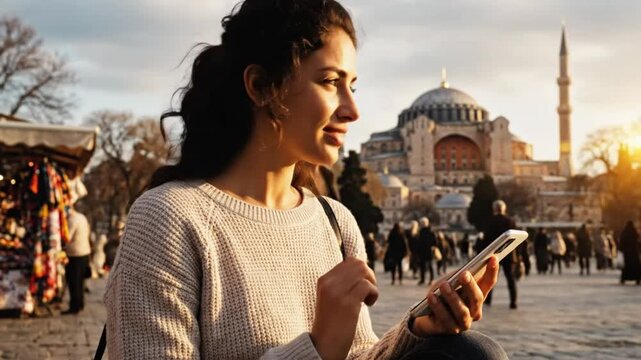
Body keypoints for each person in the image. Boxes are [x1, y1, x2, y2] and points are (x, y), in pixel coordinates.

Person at [104, 1, 507, 358]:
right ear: (261, 86)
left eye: (352, 86)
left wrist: (419, 330)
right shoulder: (170, 219)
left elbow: (355, 356)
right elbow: (328, 350)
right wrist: (317, 348)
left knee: (471, 351)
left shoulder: (334, 221)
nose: (352, 110)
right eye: (331, 82)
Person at [481, 200, 518, 309]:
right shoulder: (510, 221)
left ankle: (488, 300)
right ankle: (513, 301)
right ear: (504, 209)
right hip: (508, 253)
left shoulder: (490, 221)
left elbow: (486, 239)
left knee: (490, 278)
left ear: (494, 209)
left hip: (494, 254)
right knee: (510, 279)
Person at [63, 205, 91, 315]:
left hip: (75, 254)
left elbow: (67, 236)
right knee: (80, 281)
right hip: (84, 252)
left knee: (74, 281)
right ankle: (79, 304)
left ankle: (74, 306)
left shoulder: (72, 220)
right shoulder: (82, 217)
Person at [619, 221, 641, 285]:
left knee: (626, 266)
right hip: (634, 252)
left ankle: (624, 279)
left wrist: (621, 249)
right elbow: (638, 241)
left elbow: (621, 242)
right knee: (635, 266)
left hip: (626, 252)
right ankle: (637, 279)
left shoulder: (624, 232)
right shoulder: (634, 232)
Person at [417, 216, 437, 285]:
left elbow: (434, 242)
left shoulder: (423, 232)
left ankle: (428, 279)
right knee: (426, 266)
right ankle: (426, 279)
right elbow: (435, 242)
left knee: (427, 266)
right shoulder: (429, 232)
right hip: (426, 251)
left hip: (426, 251)